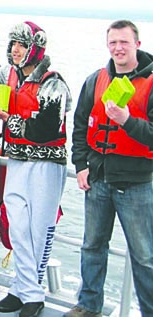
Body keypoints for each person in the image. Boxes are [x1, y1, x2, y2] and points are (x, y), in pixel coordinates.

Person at [0, 21, 71, 317]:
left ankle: (30, 291)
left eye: (21, 44)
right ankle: (23, 289)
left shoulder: (53, 81)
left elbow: (46, 127)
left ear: (35, 47)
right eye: (13, 44)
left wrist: (9, 119)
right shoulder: (8, 76)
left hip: (47, 162)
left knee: (39, 228)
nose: (15, 50)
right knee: (17, 225)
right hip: (17, 159)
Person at [67, 20, 153, 317]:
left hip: (137, 184)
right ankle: (88, 305)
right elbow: (79, 126)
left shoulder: (152, 82)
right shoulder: (95, 80)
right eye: (113, 42)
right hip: (98, 180)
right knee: (92, 246)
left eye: (124, 42)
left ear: (137, 45)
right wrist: (80, 165)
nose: (118, 48)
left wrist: (127, 121)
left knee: (144, 257)